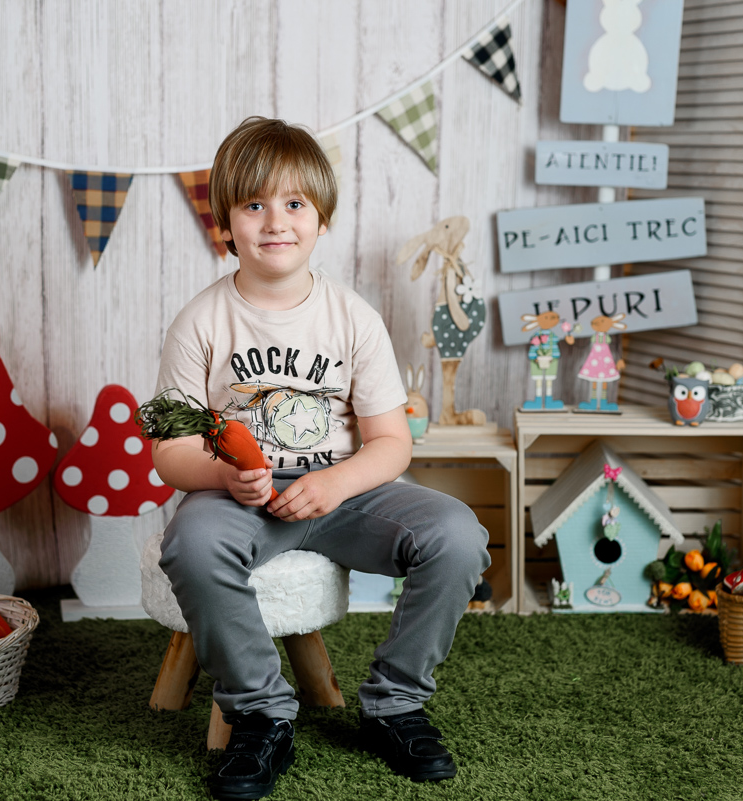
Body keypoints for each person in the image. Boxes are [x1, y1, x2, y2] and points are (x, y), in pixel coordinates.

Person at [152, 116, 490, 801]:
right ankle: (261, 714)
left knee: (458, 534)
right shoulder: (199, 322)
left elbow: (392, 441)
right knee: (191, 543)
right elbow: (171, 450)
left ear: (322, 219)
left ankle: (396, 703)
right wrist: (224, 474)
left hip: (344, 491)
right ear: (225, 222)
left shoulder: (353, 318)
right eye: (254, 204)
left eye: (295, 203)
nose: (276, 221)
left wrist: (337, 482)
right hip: (241, 494)